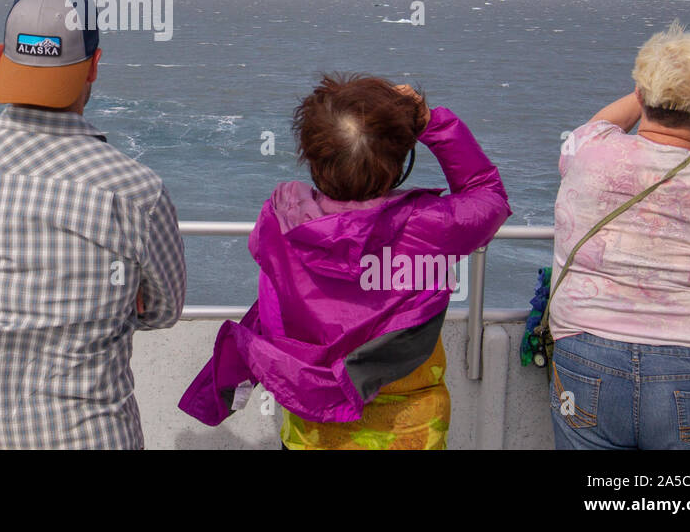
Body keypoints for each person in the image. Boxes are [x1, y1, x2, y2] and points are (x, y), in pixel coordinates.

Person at [180, 74, 510, 449]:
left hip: (314, 433)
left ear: (311, 155)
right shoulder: (430, 225)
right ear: (400, 158)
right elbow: (488, 195)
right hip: (410, 433)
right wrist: (433, 123)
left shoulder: (280, 220)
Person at [0, 0, 186, 449]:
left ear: (1, 56)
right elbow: (163, 310)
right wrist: (103, 307)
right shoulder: (136, 192)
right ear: (93, 66)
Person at [549, 21, 690, 450]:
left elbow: (598, 125)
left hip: (586, 356)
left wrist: (648, 88)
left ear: (643, 96)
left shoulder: (590, 153)